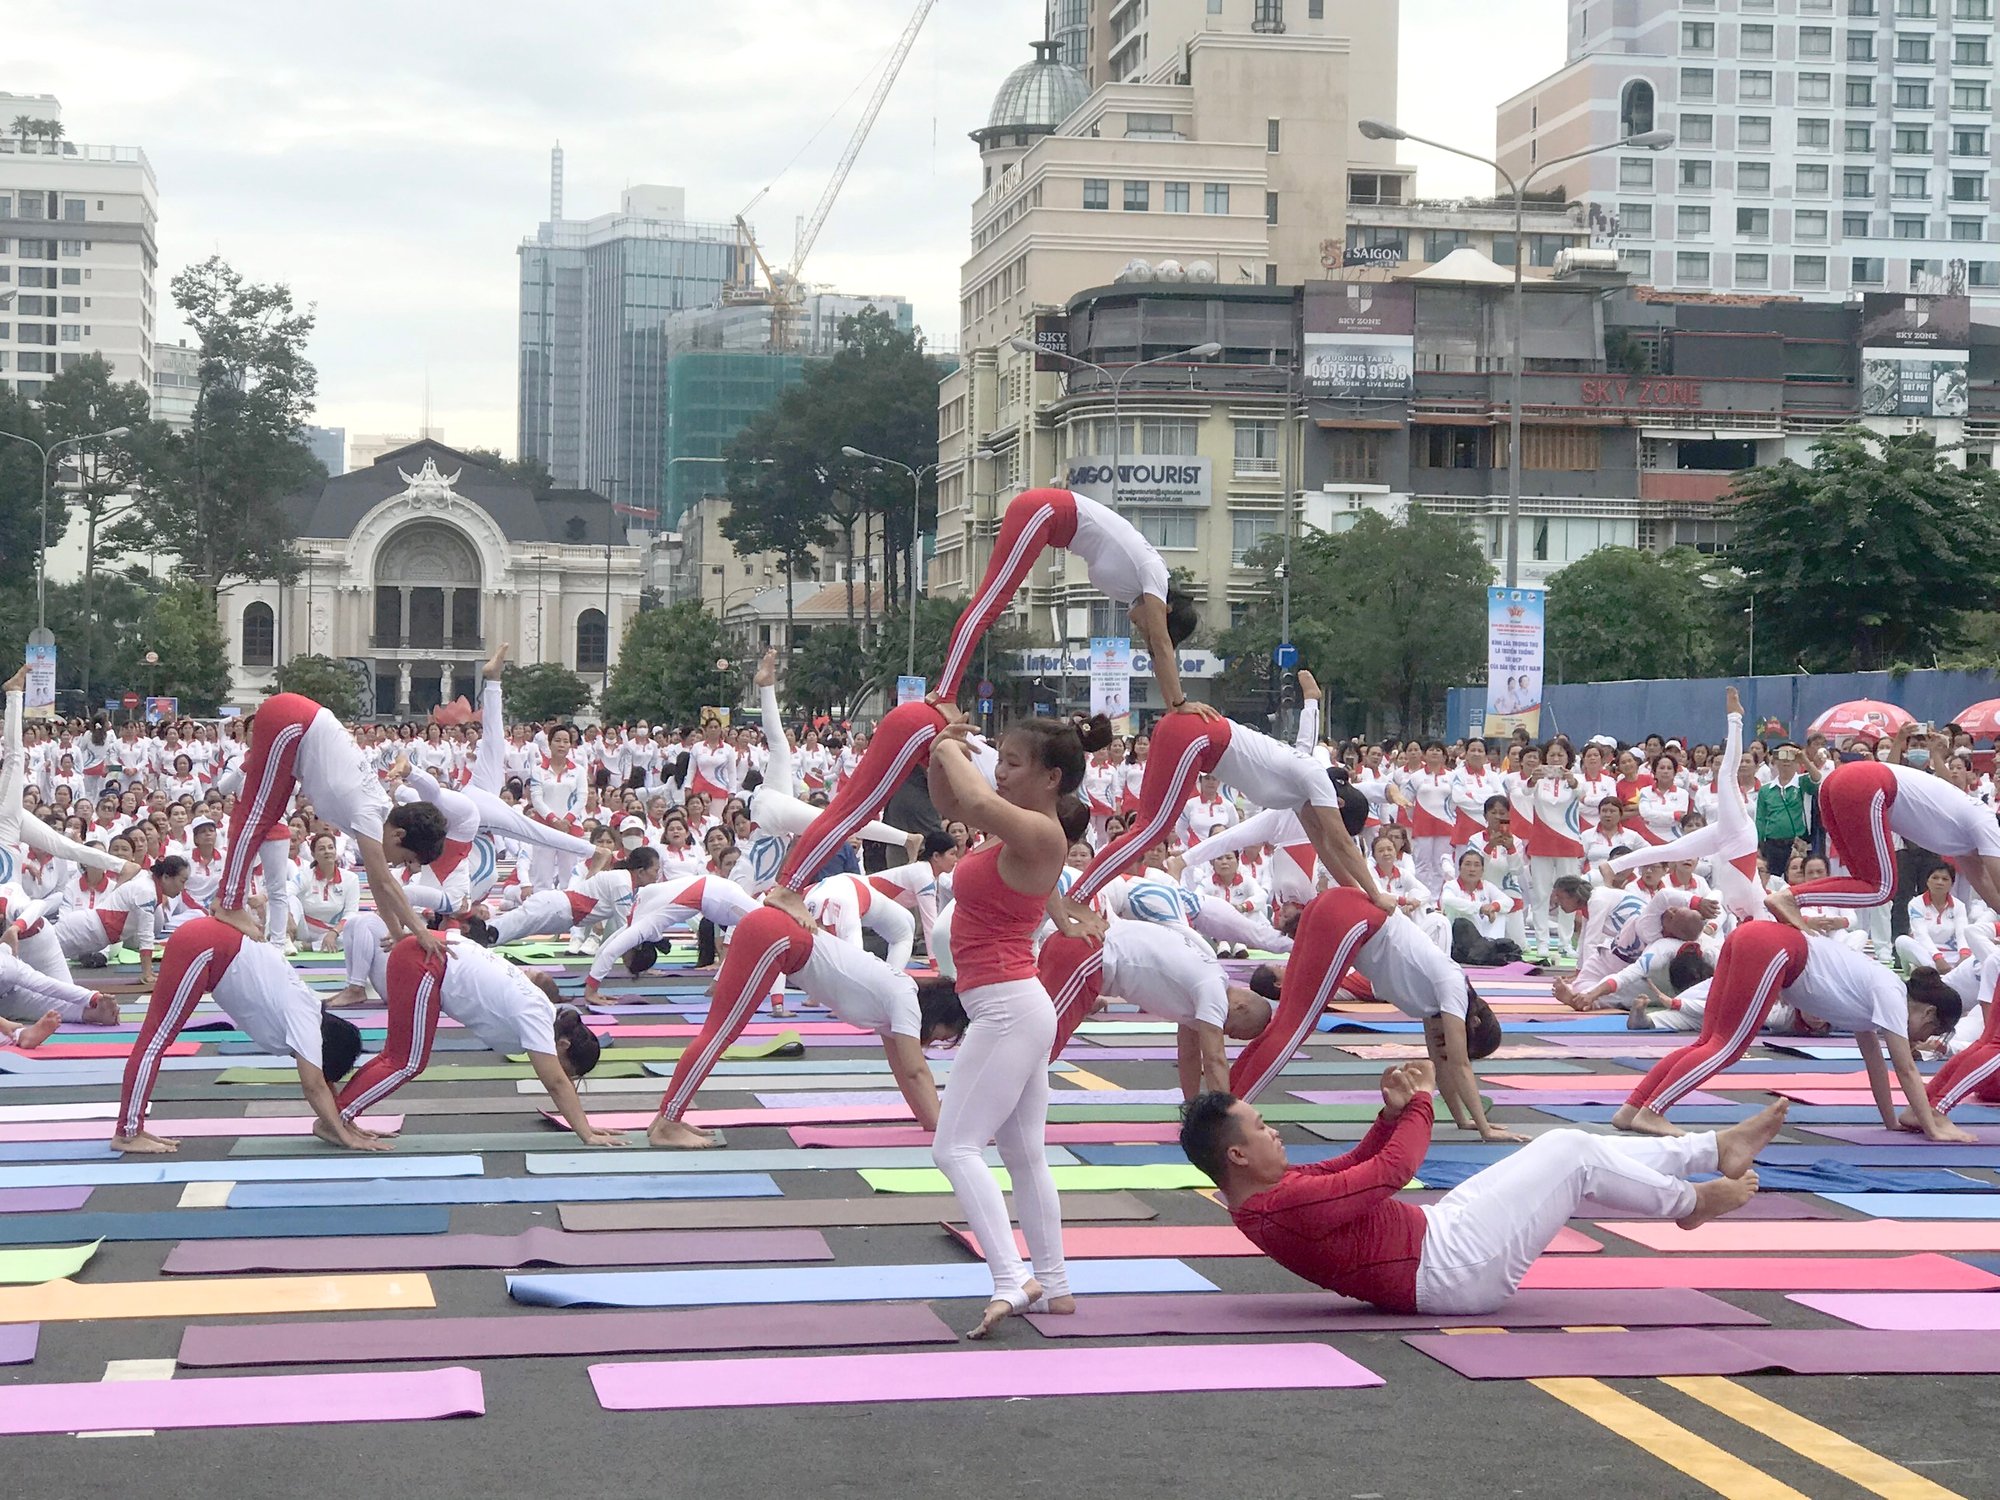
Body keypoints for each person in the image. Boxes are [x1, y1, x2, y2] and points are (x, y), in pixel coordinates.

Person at [1179, 1065, 1780, 1314]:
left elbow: (1358, 1165)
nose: (1275, 1131)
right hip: (1452, 1273)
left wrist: (1390, 1117)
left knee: (1570, 1150)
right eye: (1262, 1128)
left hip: (1441, 1240)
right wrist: (1420, 1104)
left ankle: (1709, 1150)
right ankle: (1693, 1200)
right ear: (1236, 1155)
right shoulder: (1280, 1206)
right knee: (1568, 1153)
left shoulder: (1270, 1193)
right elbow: (1392, 1173)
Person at [918, 707, 1109, 1338]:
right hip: (1014, 1007)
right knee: (1024, 1153)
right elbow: (951, 797)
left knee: (955, 1146)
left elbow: (968, 792)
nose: (999, 771)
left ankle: (1011, 1277)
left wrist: (945, 742)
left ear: (1052, 778)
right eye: (998, 759)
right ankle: (1053, 1284)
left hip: (1006, 1007)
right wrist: (937, 750)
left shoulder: (1044, 834)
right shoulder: (1016, 829)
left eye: (1014, 762)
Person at [1612, 920, 1974, 1141]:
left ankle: (1632, 1108)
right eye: (1929, 1030)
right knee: (1727, 1047)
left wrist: (1892, 1122)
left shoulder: (1879, 998)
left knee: (1709, 1042)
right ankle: (1653, 1111)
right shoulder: (1892, 993)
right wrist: (1933, 1126)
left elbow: (1875, 1063)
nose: (1922, 1038)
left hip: (1757, 940)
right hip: (1776, 949)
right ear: (1928, 1011)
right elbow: (1906, 1070)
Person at [645, 902, 964, 1146]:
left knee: (717, 1033)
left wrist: (932, 1123)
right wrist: (944, 1127)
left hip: (776, 935)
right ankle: (669, 1122)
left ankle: (666, 1118)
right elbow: (915, 1070)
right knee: (718, 1035)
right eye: (941, 1036)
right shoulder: (906, 1000)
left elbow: (904, 1072)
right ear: (938, 1015)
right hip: (777, 939)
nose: (933, 1043)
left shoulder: (898, 1003)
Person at [1234, 886, 1520, 1141]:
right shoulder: (1453, 987)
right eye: (1459, 1041)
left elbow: (1442, 1065)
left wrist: (1463, 1121)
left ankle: (1225, 1098)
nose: (1446, 1041)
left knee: (1286, 1024)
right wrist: (1485, 1128)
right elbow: (1459, 1065)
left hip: (1346, 913)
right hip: (1354, 920)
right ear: (1475, 1022)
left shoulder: (1434, 1008)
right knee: (1294, 1028)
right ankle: (1230, 1115)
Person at [1067, 712, 1387, 921]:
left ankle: (1078, 895)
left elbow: (1328, 850)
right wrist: (1377, 894)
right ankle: (1078, 896)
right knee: (1149, 830)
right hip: (1199, 738)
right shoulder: (1316, 779)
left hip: (1199, 738)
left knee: (1148, 829)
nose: (1324, 823)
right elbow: (1342, 844)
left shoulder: (1303, 796)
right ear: (1339, 806)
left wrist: (1357, 896)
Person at [934, 486, 1208, 716]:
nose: (1140, 629)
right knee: (989, 605)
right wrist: (1181, 704)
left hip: (1047, 519)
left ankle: (945, 692)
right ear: (1166, 609)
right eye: (1147, 627)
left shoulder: (1133, 591)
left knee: (990, 605)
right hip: (1043, 512)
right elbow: (1161, 645)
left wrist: (1173, 710)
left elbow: (1157, 653)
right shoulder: (1154, 572)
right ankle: (944, 695)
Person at [334, 927, 621, 1144]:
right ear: (563, 1044)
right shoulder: (538, 1016)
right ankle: (336, 1119)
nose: (563, 1075)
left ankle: (340, 1116)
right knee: (405, 1061)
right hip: (426, 963)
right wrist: (586, 1132)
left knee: (398, 1058)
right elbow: (556, 1083)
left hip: (427, 953)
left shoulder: (541, 1007)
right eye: (567, 1068)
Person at [112, 914, 371, 1154]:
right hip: (204, 948)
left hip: (208, 942)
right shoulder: (306, 1022)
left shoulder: (310, 1013)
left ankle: (131, 1127)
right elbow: (314, 1085)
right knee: (155, 1040)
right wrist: (343, 1135)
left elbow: (322, 1080)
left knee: (156, 1040)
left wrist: (342, 1122)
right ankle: (127, 1132)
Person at [216, 691, 444, 956]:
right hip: (291, 722)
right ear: (399, 835)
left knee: (265, 817)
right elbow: (384, 882)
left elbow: (377, 881)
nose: (396, 864)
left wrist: (398, 934)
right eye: (405, 859)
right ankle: (229, 902)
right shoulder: (370, 813)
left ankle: (231, 901)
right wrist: (421, 933)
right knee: (258, 816)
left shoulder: (378, 812)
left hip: (296, 727)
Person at [1769, 745, 2000, 925]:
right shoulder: (1986, 821)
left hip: (1835, 784)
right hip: (1866, 785)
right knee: (1881, 888)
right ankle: (1791, 898)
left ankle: (1789, 897)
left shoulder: (1965, 843)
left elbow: (1983, 882)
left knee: (1863, 880)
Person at [1042, 919, 1270, 1097]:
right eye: (1234, 1032)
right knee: (1042, 1046)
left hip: (1082, 950)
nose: (1225, 1034)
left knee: (1035, 1038)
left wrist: (1191, 1106)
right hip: (1086, 954)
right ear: (1240, 1007)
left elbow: (1189, 1053)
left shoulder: (1208, 983)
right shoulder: (1213, 991)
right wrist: (1226, 1120)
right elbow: (1214, 1059)